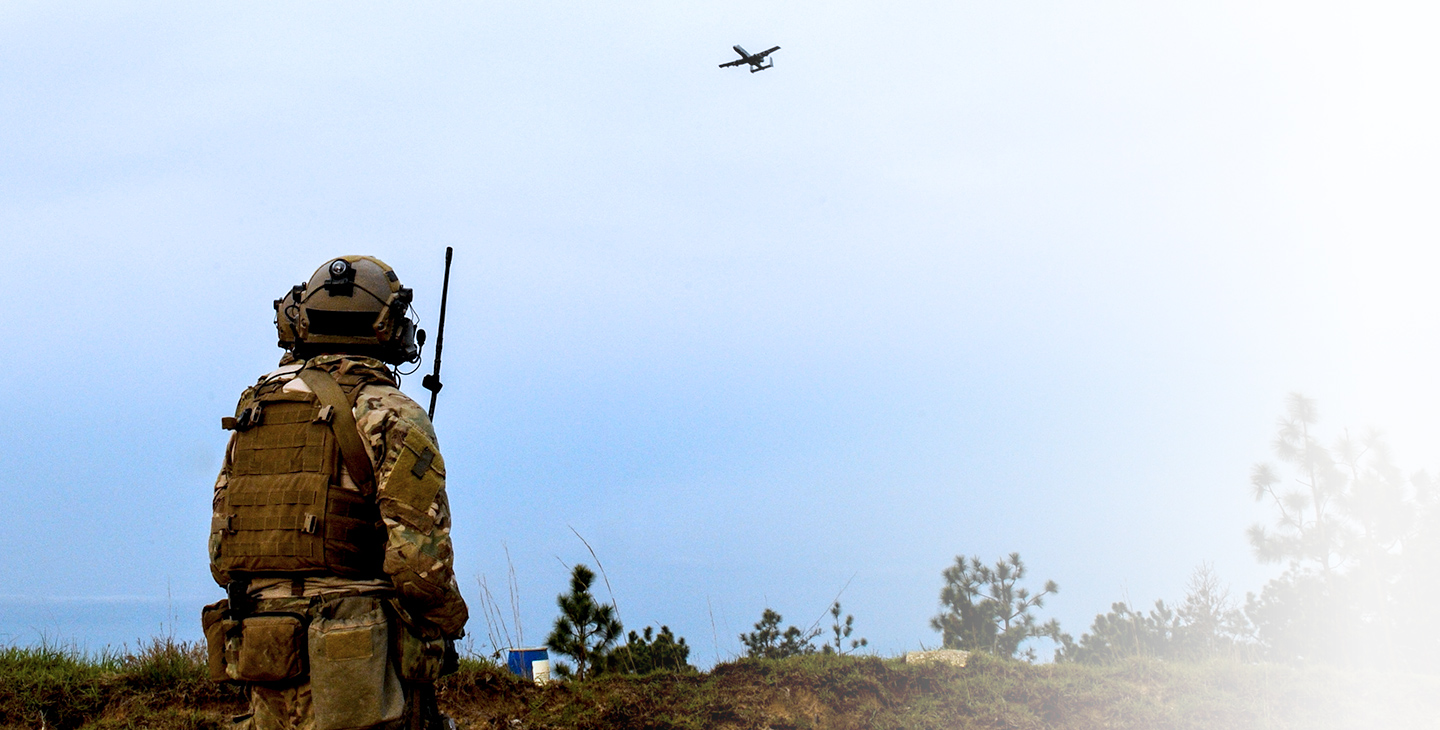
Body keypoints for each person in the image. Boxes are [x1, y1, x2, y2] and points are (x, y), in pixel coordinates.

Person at [203, 255, 468, 730]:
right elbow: (420, 568)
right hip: (357, 663)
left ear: (298, 320)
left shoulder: (257, 408)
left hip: (266, 655)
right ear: (389, 328)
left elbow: (223, 557)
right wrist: (450, 619)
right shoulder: (391, 412)